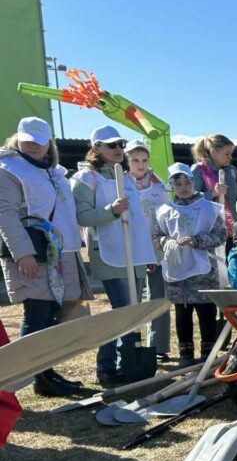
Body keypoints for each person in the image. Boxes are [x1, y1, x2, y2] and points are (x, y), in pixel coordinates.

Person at [0, 117, 92, 396]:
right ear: (18, 138)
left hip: (60, 252)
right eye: (27, 140)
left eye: (38, 142)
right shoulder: (9, 169)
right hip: (35, 253)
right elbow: (6, 214)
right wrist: (23, 254)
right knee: (37, 314)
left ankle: (46, 373)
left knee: (53, 315)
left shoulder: (52, 171)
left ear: (48, 143)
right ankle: (29, 379)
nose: (32, 146)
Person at [71, 126, 156, 386]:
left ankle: (124, 364)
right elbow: (81, 216)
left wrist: (147, 252)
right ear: (96, 148)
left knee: (132, 311)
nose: (118, 149)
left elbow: (138, 221)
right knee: (123, 311)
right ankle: (107, 367)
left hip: (134, 253)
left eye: (120, 144)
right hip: (109, 251)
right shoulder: (87, 177)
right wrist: (111, 210)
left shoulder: (127, 178)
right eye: (111, 145)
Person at [154, 163, 227, 364]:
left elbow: (221, 235)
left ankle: (208, 353)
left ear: (194, 182)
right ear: (171, 186)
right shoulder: (164, 211)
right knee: (182, 311)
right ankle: (186, 353)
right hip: (177, 268)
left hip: (203, 269)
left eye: (187, 182)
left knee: (206, 310)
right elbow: (157, 235)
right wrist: (167, 243)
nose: (183, 187)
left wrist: (197, 241)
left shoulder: (209, 208)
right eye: (178, 183)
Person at [125, 139, 171, 361]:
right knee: (132, 300)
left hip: (155, 250)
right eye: (135, 160)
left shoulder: (159, 185)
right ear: (127, 160)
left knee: (158, 298)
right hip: (130, 248)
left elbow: (166, 215)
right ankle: (131, 344)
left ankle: (158, 346)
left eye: (144, 160)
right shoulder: (120, 183)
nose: (140, 165)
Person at [190, 134, 237, 240]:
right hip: (210, 230)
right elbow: (190, 200)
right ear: (213, 152)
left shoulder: (232, 171)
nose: (230, 157)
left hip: (234, 229)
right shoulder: (198, 170)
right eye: (227, 154)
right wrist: (212, 193)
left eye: (231, 154)